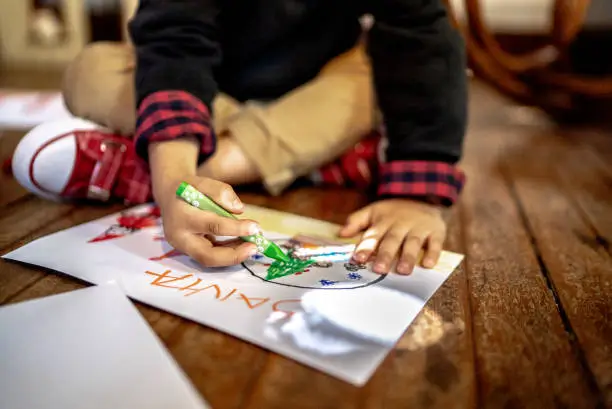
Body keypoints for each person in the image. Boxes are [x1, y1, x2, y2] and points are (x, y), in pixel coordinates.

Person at [11, 0, 467, 275]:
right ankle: (312, 160)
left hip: (315, 92)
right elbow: (174, 38)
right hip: (212, 95)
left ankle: (144, 169)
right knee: (89, 71)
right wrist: (176, 177)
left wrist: (416, 195)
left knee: (370, 82)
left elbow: (419, 35)